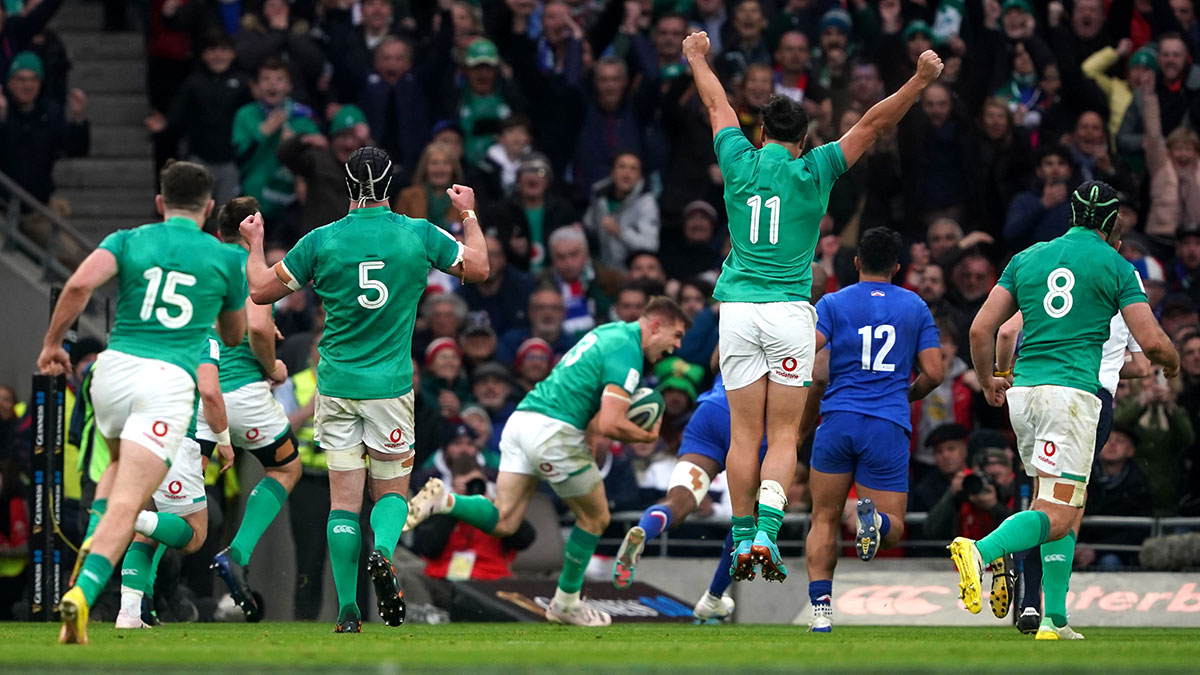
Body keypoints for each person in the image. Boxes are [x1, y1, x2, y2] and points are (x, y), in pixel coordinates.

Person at [683, 28, 942, 583]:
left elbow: (715, 101)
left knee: (742, 437)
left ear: (761, 132)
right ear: (801, 139)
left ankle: (741, 534)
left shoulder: (736, 158)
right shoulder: (816, 168)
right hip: (788, 313)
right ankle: (769, 535)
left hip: (738, 311)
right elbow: (873, 124)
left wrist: (696, 57)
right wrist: (919, 80)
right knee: (782, 437)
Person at [238, 146, 488, 633]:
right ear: (392, 185)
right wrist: (468, 212)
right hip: (390, 387)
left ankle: (349, 609)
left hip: (335, 387)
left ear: (347, 186)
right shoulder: (418, 234)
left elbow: (261, 292)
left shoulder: (321, 240)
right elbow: (478, 269)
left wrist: (254, 242)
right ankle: (385, 553)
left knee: (344, 502)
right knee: (391, 490)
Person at [955, 180, 1180, 641]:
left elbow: (983, 329)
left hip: (1026, 397)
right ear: (1114, 224)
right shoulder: (1116, 265)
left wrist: (989, 380)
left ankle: (1053, 618)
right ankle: (982, 551)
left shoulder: (1027, 257)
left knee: (1060, 503)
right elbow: (1153, 343)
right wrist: (1173, 365)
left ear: (1072, 215)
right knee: (1059, 513)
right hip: (1073, 397)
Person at [37, 160, 248, 645]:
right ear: (209, 207)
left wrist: (52, 346)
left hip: (111, 371)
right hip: (165, 381)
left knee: (114, 470)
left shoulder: (128, 239)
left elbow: (78, 286)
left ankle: (97, 543)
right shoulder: (225, 259)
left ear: (160, 202)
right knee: (134, 504)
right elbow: (235, 334)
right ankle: (85, 593)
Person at [405, 297, 689, 626]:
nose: (677, 345)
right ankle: (566, 602)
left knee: (504, 521)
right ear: (655, 325)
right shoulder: (628, 351)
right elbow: (612, 423)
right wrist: (648, 436)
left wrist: (593, 434)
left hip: (523, 421)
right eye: (676, 334)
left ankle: (447, 500)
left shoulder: (608, 333)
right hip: (554, 432)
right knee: (596, 518)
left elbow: (596, 416)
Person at [797, 227, 943, 632]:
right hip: (887, 423)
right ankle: (873, 523)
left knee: (823, 518)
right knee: (892, 530)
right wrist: (905, 394)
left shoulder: (833, 302)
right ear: (898, 267)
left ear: (857, 262)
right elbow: (935, 372)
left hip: (838, 419)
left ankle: (821, 612)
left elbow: (809, 348)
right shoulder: (915, 306)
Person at [192, 198, 302, 621]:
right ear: (251, 226)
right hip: (244, 394)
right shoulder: (252, 269)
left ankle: (137, 596)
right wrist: (273, 364)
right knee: (286, 468)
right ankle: (237, 553)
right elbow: (256, 327)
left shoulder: (199, 264)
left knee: (173, 500)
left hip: (197, 396)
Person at [610, 373, 762, 624]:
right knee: (749, 516)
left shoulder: (732, 331)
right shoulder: (798, 336)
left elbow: (715, 362)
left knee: (679, 501)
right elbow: (818, 379)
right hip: (756, 419)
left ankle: (644, 531)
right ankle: (713, 597)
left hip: (711, 412)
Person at [113, 334, 235, 629]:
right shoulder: (203, 337)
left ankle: (129, 614)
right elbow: (210, 393)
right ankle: (133, 517)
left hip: (136, 435)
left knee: (146, 534)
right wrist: (225, 440)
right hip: (175, 439)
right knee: (194, 536)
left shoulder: (148, 328)